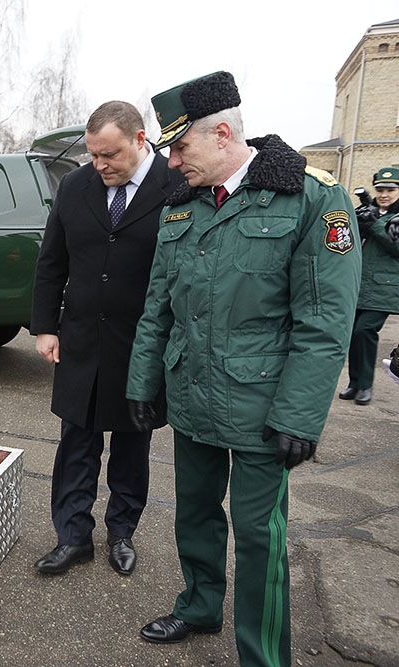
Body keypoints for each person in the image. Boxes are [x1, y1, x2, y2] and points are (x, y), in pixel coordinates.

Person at [125, 72, 361, 666]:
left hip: (264, 406)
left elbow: (325, 319)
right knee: (195, 513)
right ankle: (200, 604)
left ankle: (262, 655)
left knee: (260, 537)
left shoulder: (310, 196)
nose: (172, 162)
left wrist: (301, 416)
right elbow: (158, 305)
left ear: (223, 133)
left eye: (180, 148)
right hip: (193, 394)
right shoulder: (182, 206)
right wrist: (143, 383)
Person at [30, 101, 181, 577]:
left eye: (109, 155)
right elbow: (52, 261)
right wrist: (45, 326)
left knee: (132, 446)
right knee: (76, 442)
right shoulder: (76, 186)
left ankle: (121, 532)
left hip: (142, 346)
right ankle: (73, 537)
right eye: (94, 155)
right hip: (79, 341)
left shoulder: (177, 187)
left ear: (141, 140)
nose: (100, 166)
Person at [339, 167, 399, 405]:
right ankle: (354, 384)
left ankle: (365, 385)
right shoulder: (369, 210)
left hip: (384, 287)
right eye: (381, 190)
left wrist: (373, 224)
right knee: (353, 335)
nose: (384, 194)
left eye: (391, 190)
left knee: (365, 331)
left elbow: (397, 246)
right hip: (358, 284)